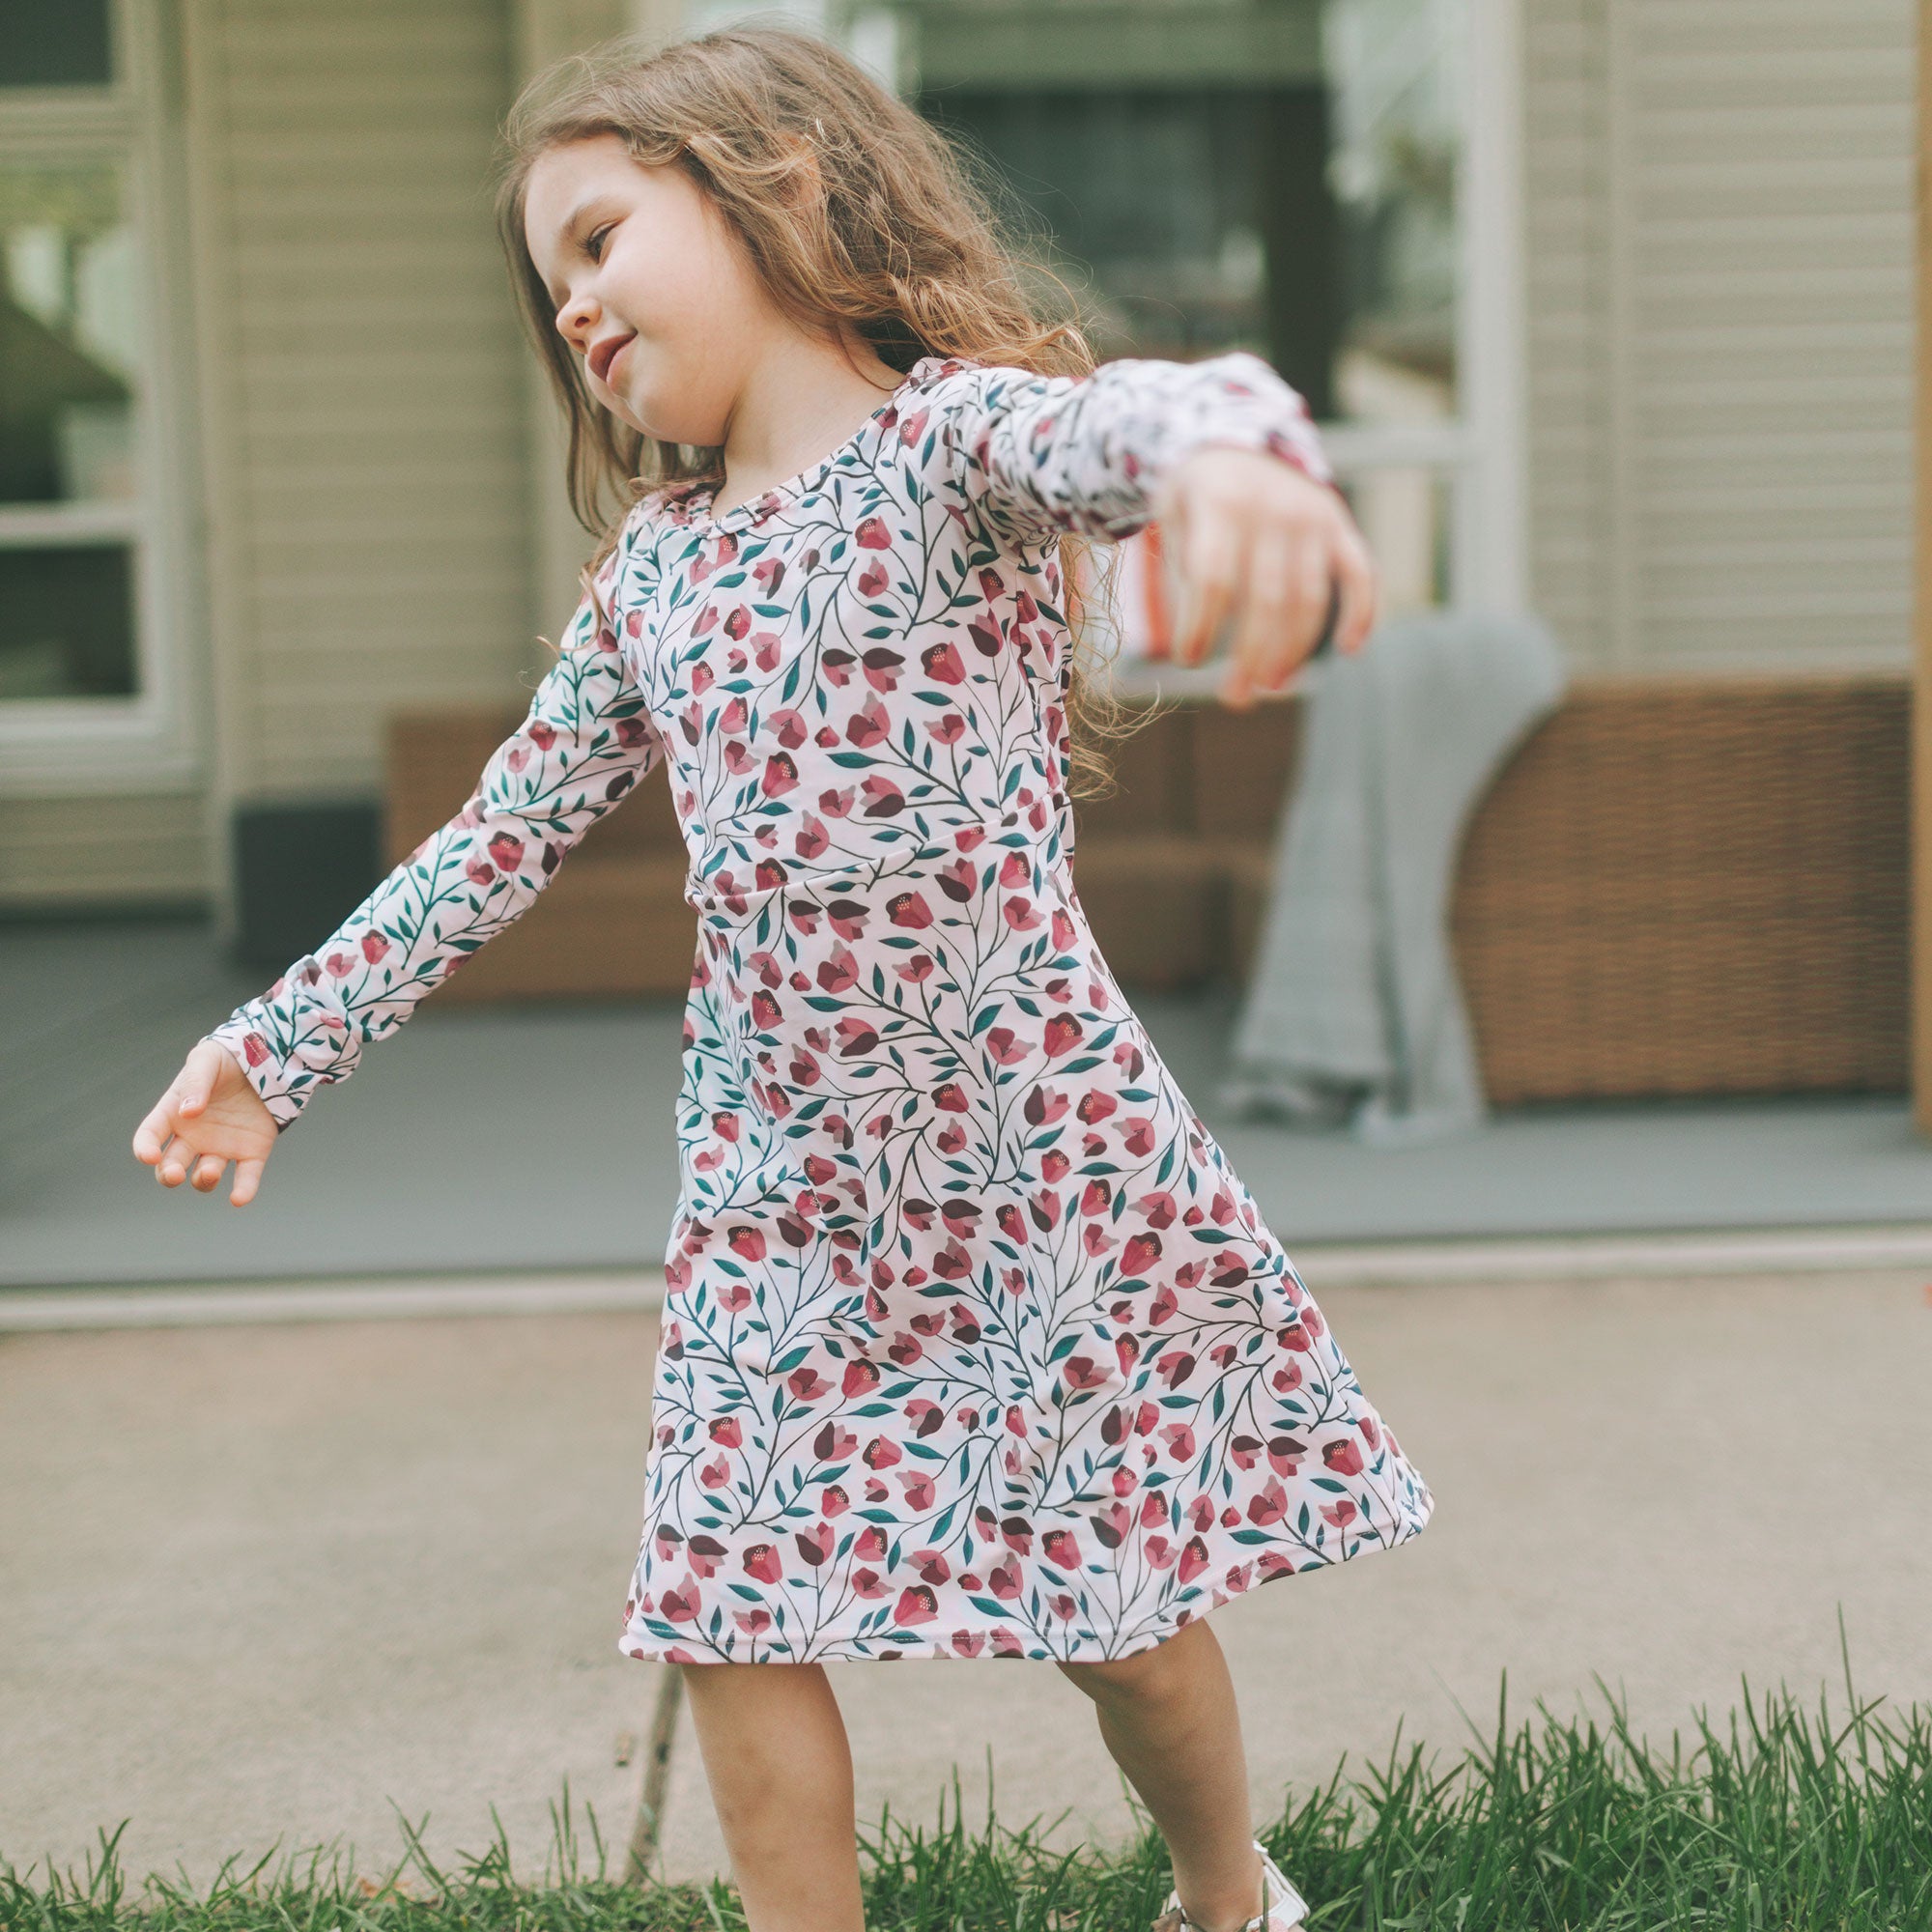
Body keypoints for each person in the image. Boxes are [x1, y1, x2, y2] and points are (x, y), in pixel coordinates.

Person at [131, 22, 1434, 1932]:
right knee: (729, 1602)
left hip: (1022, 1151)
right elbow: (492, 842)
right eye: (545, 277)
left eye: (596, 237)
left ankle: (1230, 1894)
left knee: (1120, 1625)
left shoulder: (954, 449)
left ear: (780, 186)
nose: (570, 302)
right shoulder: (654, 580)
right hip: (776, 1180)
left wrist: (1246, 455)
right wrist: (274, 1045)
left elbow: (1144, 416)